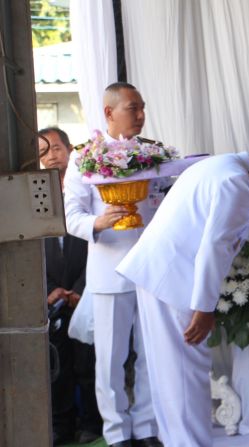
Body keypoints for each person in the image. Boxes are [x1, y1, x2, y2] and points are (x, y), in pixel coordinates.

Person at [115, 148, 249, 447]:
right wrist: (204, 308)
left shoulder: (219, 165)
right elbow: (215, 248)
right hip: (176, 281)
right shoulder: (238, 183)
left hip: (158, 274)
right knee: (186, 375)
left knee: (168, 374)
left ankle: (177, 442)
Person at [63, 82, 162, 447]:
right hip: (110, 268)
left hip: (151, 267)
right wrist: (98, 222)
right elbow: (70, 215)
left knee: (151, 354)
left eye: (142, 107)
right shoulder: (83, 156)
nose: (141, 115)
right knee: (110, 359)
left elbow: (161, 201)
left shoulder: (153, 152)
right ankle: (117, 432)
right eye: (133, 108)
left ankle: (147, 426)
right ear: (109, 112)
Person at [40, 127, 102, 445]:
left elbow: (100, 241)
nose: (51, 155)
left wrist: (81, 288)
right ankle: (61, 426)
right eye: (43, 151)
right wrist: (49, 289)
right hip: (52, 295)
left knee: (88, 361)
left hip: (87, 288)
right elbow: (30, 251)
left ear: (68, 149)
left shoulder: (90, 187)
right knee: (58, 365)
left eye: (56, 147)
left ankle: (92, 423)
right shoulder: (36, 196)